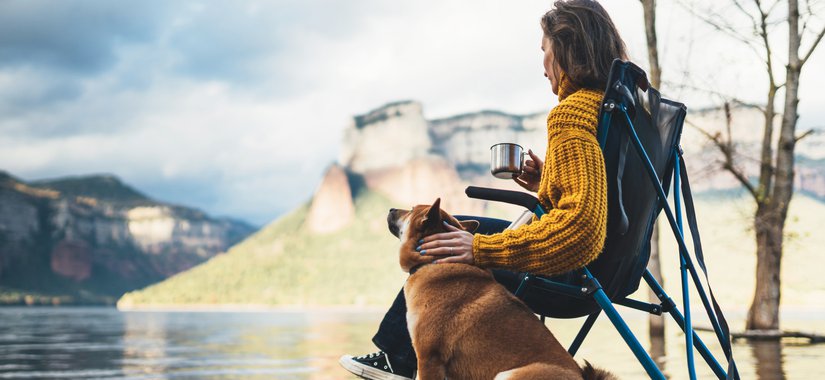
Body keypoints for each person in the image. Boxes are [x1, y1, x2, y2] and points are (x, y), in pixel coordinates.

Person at [340, 1, 627, 378]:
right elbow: (603, 201)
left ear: (566, 49)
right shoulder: (619, 108)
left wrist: (480, 249)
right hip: (616, 269)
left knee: (452, 237)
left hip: (575, 274)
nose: (542, 67)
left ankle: (405, 359)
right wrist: (545, 185)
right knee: (467, 225)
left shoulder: (571, 116)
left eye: (544, 51)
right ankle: (419, 356)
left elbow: (582, 232)